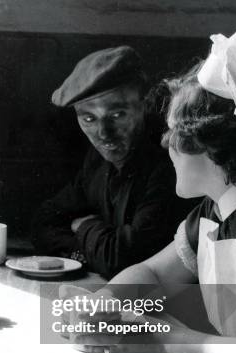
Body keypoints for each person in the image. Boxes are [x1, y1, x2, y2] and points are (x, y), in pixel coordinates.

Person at [67, 26, 236, 353]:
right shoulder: (213, 213)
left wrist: (165, 341)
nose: (164, 144)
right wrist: (106, 301)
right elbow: (153, 271)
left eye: (174, 135)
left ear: (214, 145)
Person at [31, 46, 194, 279]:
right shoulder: (97, 160)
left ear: (145, 104)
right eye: (89, 119)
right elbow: (43, 223)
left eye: (117, 115)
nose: (104, 133)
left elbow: (124, 260)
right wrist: (91, 252)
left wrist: (83, 226)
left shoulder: (169, 162)